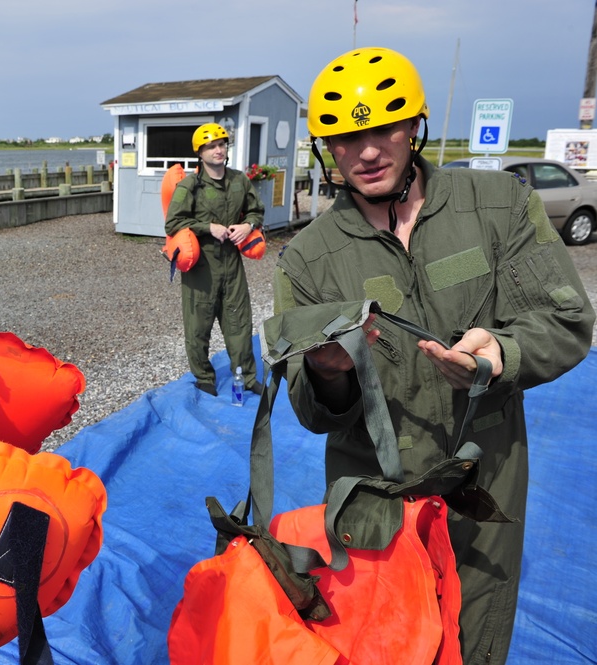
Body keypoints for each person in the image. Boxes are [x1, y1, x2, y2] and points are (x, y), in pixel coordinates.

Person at [273, 46, 595, 664]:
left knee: (476, 642)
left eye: (384, 128)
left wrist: (503, 350)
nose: (366, 151)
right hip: (375, 500)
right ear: (327, 149)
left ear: (416, 127)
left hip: (485, 485)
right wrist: (327, 374)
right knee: (386, 643)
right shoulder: (308, 258)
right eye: (344, 137)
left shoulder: (499, 205)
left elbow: (566, 317)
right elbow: (311, 410)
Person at [164, 123, 265, 396]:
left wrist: (248, 225)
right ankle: (204, 377)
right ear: (200, 152)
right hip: (201, 268)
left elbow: (256, 210)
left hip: (232, 264)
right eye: (211, 146)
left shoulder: (239, 181)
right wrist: (208, 227)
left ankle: (246, 377)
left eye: (222, 144)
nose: (218, 150)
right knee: (198, 324)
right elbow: (173, 222)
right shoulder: (189, 186)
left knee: (240, 323)